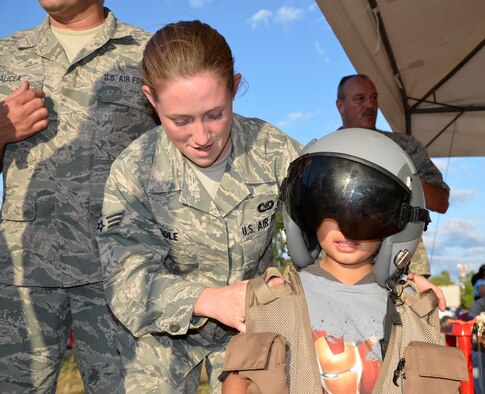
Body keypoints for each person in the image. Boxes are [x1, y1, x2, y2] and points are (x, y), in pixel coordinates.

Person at [95, 20, 304, 393]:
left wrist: (388, 274)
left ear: (235, 88)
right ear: (151, 99)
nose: (202, 137)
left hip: (252, 326)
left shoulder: (275, 152)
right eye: (181, 120)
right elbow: (127, 282)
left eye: (215, 114)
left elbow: (330, 231)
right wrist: (209, 300)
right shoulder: (135, 170)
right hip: (161, 334)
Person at [0, 1, 157, 392]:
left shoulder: (148, 53)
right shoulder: (6, 53)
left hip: (118, 274)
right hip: (23, 277)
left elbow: (182, 154)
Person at [222, 128, 450, 393]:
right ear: (307, 214)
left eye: (366, 216)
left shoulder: (412, 310)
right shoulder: (273, 300)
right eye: (330, 210)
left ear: (397, 224)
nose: (346, 228)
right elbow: (238, 381)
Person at [335, 74, 450, 277]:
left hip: (404, 265)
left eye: (374, 97)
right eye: (360, 99)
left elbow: (441, 202)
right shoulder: (327, 152)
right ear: (340, 106)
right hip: (342, 264)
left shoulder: (404, 147)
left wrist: (403, 175)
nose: (370, 105)